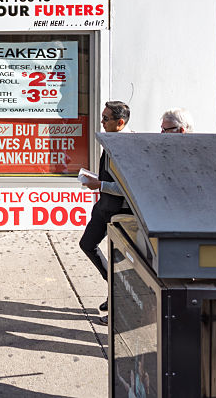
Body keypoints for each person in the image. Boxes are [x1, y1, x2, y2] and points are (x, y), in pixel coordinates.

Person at [79, 100, 132, 311]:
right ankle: (115, 288)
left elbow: (126, 188)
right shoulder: (111, 139)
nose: (102, 122)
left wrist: (100, 184)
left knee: (117, 259)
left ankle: (118, 302)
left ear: (120, 122)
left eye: (106, 119)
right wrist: (96, 180)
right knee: (87, 244)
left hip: (119, 211)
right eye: (102, 117)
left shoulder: (127, 148)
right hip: (104, 207)